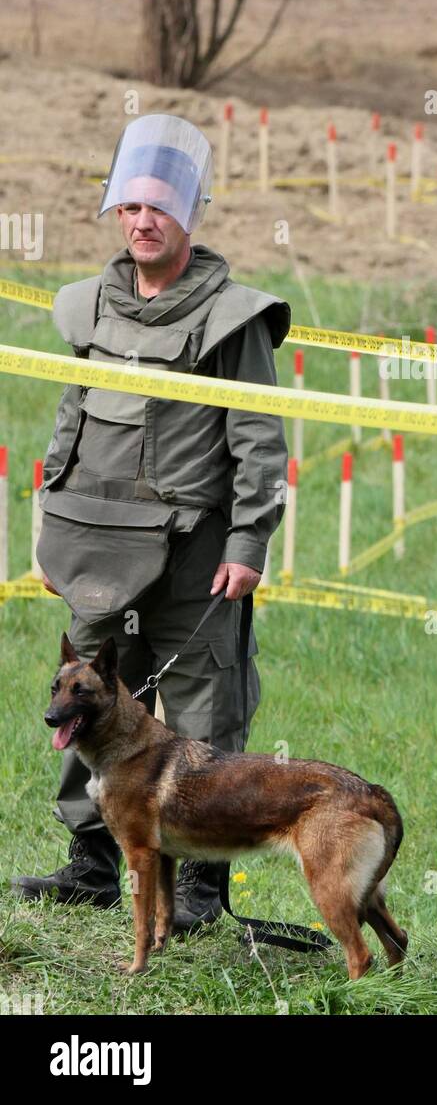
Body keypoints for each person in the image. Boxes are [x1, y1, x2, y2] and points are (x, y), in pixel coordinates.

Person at [11, 113, 290, 931]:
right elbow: (69, 424)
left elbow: (258, 441)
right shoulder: (88, 306)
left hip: (196, 554)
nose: (141, 222)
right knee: (89, 704)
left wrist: (248, 544)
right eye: (129, 207)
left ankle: (202, 890)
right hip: (96, 545)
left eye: (158, 209)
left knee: (205, 713)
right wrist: (50, 532)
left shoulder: (233, 318)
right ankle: (94, 864)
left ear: (190, 215)